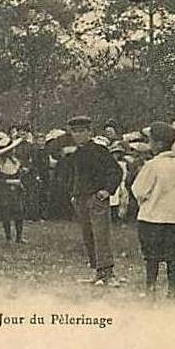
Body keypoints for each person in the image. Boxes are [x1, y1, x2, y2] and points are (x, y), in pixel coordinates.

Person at [131, 121, 175, 299]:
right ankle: (172, 290)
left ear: (159, 144)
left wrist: (146, 201)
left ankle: (151, 288)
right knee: (172, 255)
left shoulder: (153, 165)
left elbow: (138, 190)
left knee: (152, 256)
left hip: (152, 217)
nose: (149, 144)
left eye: (151, 141)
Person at [68, 115, 123, 285]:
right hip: (80, 199)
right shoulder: (76, 153)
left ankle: (109, 273)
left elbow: (116, 172)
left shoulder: (100, 150)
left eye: (81, 131)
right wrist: (73, 194)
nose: (78, 135)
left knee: (101, 235)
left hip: (96, 199)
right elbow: (75, 177)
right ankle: (97, 272)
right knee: (88, 235)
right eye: (74, 132)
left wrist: (107, 190)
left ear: (89, 132)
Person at [0, 134, 26, 243]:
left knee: (19, 212)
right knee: (5, 213)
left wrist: (19, 182)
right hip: (4, 191)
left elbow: (19, 175)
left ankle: (19, 237)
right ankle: (8, 237)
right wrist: (12, 182)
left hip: (16, 191)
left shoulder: (15, 161)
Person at [109, 142, 130, 225]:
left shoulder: (124, 164)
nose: (117, 155)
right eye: (115, 153)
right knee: (113, 201)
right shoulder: (110, 164)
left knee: (123, 201)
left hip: (122, 183)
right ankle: (113, 218)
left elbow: (126, 174)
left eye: (118, 153)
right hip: (114, 184)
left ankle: (121, 218)